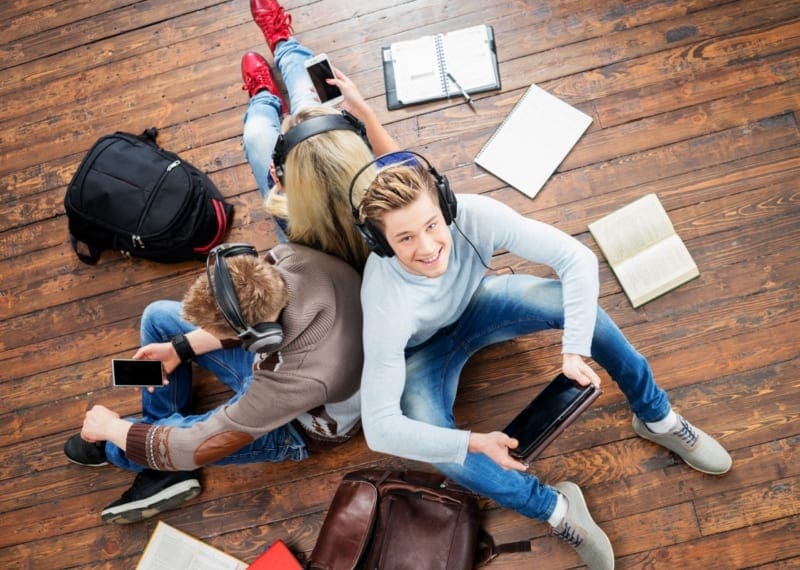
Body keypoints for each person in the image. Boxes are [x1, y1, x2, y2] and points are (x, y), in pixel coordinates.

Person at [354, 156, 732, 570]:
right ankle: (556, 508)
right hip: (423, 354)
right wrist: (475, 442)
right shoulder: (383, 300)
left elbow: (578, 259)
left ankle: (656, 417)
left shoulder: (477, 214)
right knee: (444, 452)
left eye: (431, 225)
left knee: (585, 314)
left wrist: (574, 348)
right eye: (405, 238)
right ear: (381, 242)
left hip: (480, 304)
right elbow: (380, 428)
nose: (426, 248)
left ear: (445, 206)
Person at [63, 242, 363, 523]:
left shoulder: (297, 376)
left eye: (218, 332)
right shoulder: (286, 258)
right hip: (286, 366)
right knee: (157, 318)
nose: (204, 334)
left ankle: (148, 459)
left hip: (298, 425)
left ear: (260, 339)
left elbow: (197, 445)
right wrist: (179, 348)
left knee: (124, 445)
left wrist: (111, 429)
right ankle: (163, 460)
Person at [241, 0, 400, 269]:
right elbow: (400, 161)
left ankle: (264, 96)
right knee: (307, 100)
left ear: (281, 178)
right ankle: (284, 44)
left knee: (258, 134)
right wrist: (366, 113)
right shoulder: (394, 192)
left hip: (313, 255)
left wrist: (281, 194)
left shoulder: (288, 214)